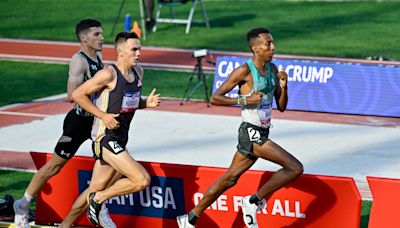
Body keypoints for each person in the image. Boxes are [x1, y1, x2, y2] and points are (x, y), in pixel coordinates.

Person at [176, 27, 304, 228]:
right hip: (250, 132)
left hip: (263, 131)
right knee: (294, 167)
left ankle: (189, 218)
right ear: (255, 48)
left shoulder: (272, 70)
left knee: (229, 179)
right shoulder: (244, 71)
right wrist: (244, 99)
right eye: (268, 44)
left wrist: (284, 86)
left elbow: (281, 106)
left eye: (272, 42)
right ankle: (252, 201)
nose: (273, 47)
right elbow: (215, 97)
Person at [13, 19, 117, 228]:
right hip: (78, 122)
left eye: (101, 33)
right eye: (96, 34)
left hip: (96, 122)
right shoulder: (79, 61)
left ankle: (100, 204)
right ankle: (22, 204)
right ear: (83, 38)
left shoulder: (97, 56)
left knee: (113, 163)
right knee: (54, 166)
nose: (102, 38)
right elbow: (72, 95)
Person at [71, 31, 161, 226]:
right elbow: (78, 94)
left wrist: (146, 103)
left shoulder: (139, 72)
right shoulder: (108, 74)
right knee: (142, 180)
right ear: (120, 52)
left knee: (92, 189)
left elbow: (128, 103)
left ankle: (66, 224)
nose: (138, 53)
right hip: (105, 138)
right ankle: (100, 201)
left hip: (120, 139)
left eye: (140, 49)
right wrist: (102, 115)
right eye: (134, 49)